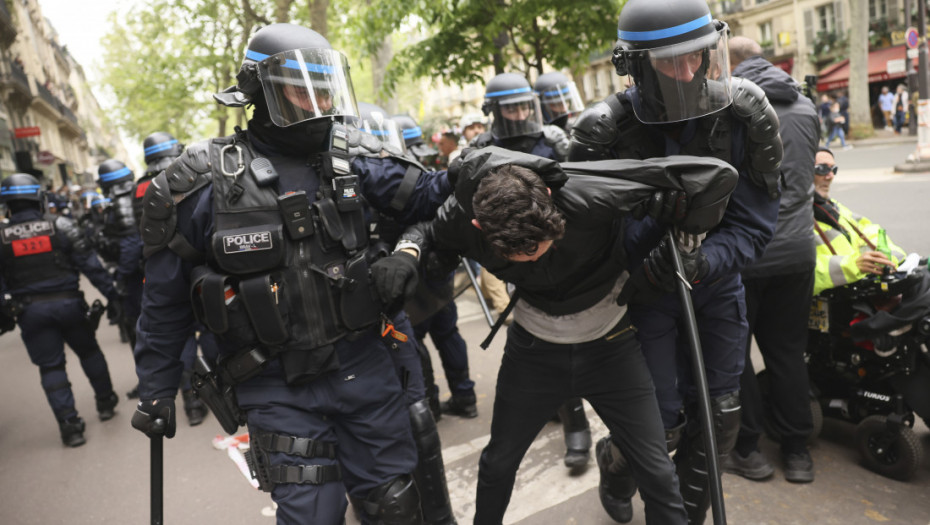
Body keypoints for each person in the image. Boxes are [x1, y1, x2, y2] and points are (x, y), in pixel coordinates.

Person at [131, 23, 457, 524]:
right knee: (312, 516)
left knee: (393, 506)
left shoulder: (353, 155)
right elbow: (165, 301)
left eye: (324, 86)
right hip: (273, 382)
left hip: (364, 363)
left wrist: (410, 249)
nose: (317, 100)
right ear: (259, 91)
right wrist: (155, 388)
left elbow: (430, 200)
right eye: (300, 87)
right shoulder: (199, 183)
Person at [387, 146, 741, 525]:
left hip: (611, 345)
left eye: (540, 245)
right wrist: (406, 253)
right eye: (520, 254)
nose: (537, 259)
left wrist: (681, 224)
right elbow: (423, 230)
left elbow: (716, 175)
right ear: (478, 227)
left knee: (655, 469)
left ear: (551, 202)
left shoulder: (586, 191)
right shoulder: (462, 216)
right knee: (498, 464)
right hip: (533, 353)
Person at [569, 1, 783, 522]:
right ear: (638, 65)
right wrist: (647, 237)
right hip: (645, 295)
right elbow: (588, 243)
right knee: (660, 424)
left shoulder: (741, 116)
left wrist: (706, 260)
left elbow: (755, 225)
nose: (688, 73)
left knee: (721, 415)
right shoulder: (605, 136)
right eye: (670, 63)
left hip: (716, 284)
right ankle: (615, 466)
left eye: (697, 57)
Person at [723, 36, 820, 484]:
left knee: (736, 356)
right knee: (786, 352)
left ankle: (748, 448)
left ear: (732, 62)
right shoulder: (805, 107)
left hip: (746, 254)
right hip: (799, 251)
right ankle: (798, 451)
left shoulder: (729, 109)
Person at [0, 174, 120, 447]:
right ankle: (105, 403)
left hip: (30, 312)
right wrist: (113, 296)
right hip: (69, 306)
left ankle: (70, 427)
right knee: (89, 352)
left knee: (51, 367)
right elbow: (91, 265)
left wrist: (7, 313)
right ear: (39, 198)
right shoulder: (62, 226)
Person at [391, 113, 478, 423]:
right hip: (440, 264)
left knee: (412, 339)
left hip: (414, 268)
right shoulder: (429, 163)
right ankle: (465, 395)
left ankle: (429, 406)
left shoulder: (391, 170)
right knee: (448, 332)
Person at [811, 147, 906, 295]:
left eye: (833, 169)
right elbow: (799, 275)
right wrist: (854, 266)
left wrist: (887, 258)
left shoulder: (833, 207)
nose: (830, 176)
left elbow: (870, 231)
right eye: (822, 169)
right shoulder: (791, 216)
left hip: (854, 294)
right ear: (803, 171)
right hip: (830, 301)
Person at [97, 158, 147, 398]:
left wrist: (122, 277)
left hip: (136, 277)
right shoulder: (140, 193)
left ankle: (150, 383)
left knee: (138, 331)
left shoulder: (121, 203)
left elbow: (130, 244)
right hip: (147, 271)